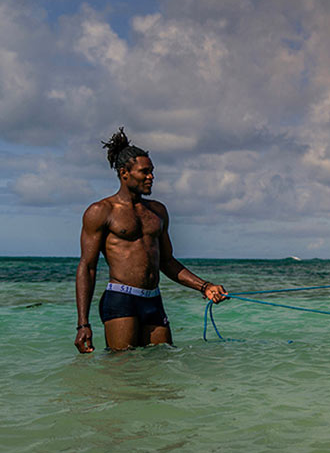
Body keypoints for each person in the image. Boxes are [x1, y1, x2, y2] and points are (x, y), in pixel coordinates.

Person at [74, 128, 227, 352]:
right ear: (125, 173)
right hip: (120, 299)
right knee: (123, 370)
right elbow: (87, 267)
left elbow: (167, 261)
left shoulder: (157, 212)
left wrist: (204, 287)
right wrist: (83, 324)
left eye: (152, 171)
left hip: (153, 300)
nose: (151, 177)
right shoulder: (101, 211)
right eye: (144, 172)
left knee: (162, 365)